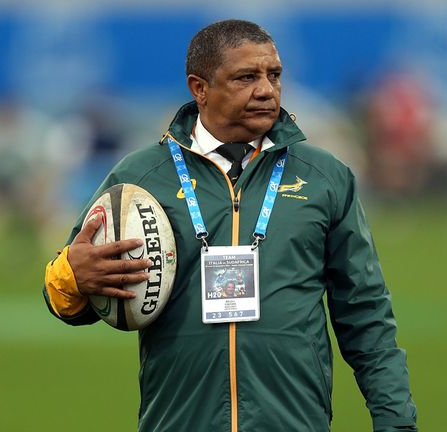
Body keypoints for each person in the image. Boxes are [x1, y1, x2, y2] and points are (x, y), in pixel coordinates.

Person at [44, 19, 417, 431]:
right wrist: (72, 277)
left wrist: (396, 423)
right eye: (246, 77)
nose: (266, 89)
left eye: (274, 75)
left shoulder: (324, 177)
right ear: (199, 88)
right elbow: (69, 301)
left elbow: (367, 318)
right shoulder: (140, 178)